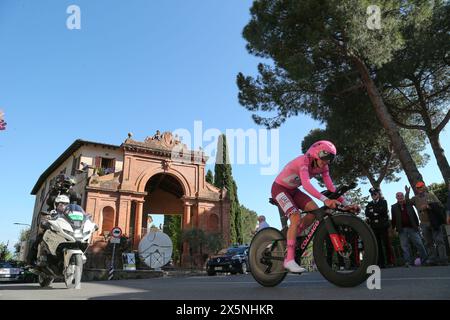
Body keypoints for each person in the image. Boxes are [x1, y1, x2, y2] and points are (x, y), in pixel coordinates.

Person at [271, 140, 359, 273]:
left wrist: (346, 205)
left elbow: (331, 188)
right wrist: (325, 200)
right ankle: (289, 260)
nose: (326, 162)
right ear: (315, 154)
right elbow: (306, 185)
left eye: (329, 159)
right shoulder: (303, 161)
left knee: (315, 212)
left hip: (294, 191)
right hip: (279, 188)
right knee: (295, 217)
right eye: (324, 158)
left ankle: (292, 236)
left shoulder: (324, 167)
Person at [410, 182, 448, 266]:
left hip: (434, 222)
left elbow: (440, 206)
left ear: (424, 187)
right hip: (423, 223)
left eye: (420, 187)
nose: (419, 189)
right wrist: (406, 194)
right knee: (428, 242)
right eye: (417, 187)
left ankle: (443, 260)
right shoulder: (415, 198)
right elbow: (407, 203)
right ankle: (432, 260)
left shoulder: (431, 195)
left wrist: (429, 206)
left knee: (439, 241)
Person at [391, 188, 428, 267]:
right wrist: (393, 228)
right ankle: (408, 262)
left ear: (403, 196)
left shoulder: (408, 203)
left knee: (419, 243)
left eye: (401, 195)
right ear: (396, 197)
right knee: (404, 246)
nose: (400, 197)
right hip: (401, 229)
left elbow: (414, 215)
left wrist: (417, 225)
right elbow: (393, 218)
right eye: (398, 196)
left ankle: (425, 260)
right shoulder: (393, 207)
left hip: (412, 227)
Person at [365, 187, 394, 268]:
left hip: (383, 226)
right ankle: (381, 263)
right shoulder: (369, 204)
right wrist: (376, 212)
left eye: (375, 194)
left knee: (386, 244)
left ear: (378, 194)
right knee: (378, 245)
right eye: (372, 194)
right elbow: (367, 213)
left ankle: (390, 262)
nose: (373, 195)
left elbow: (383, 211)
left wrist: (373, 212)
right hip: (374, 227)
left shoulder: (383, 202)